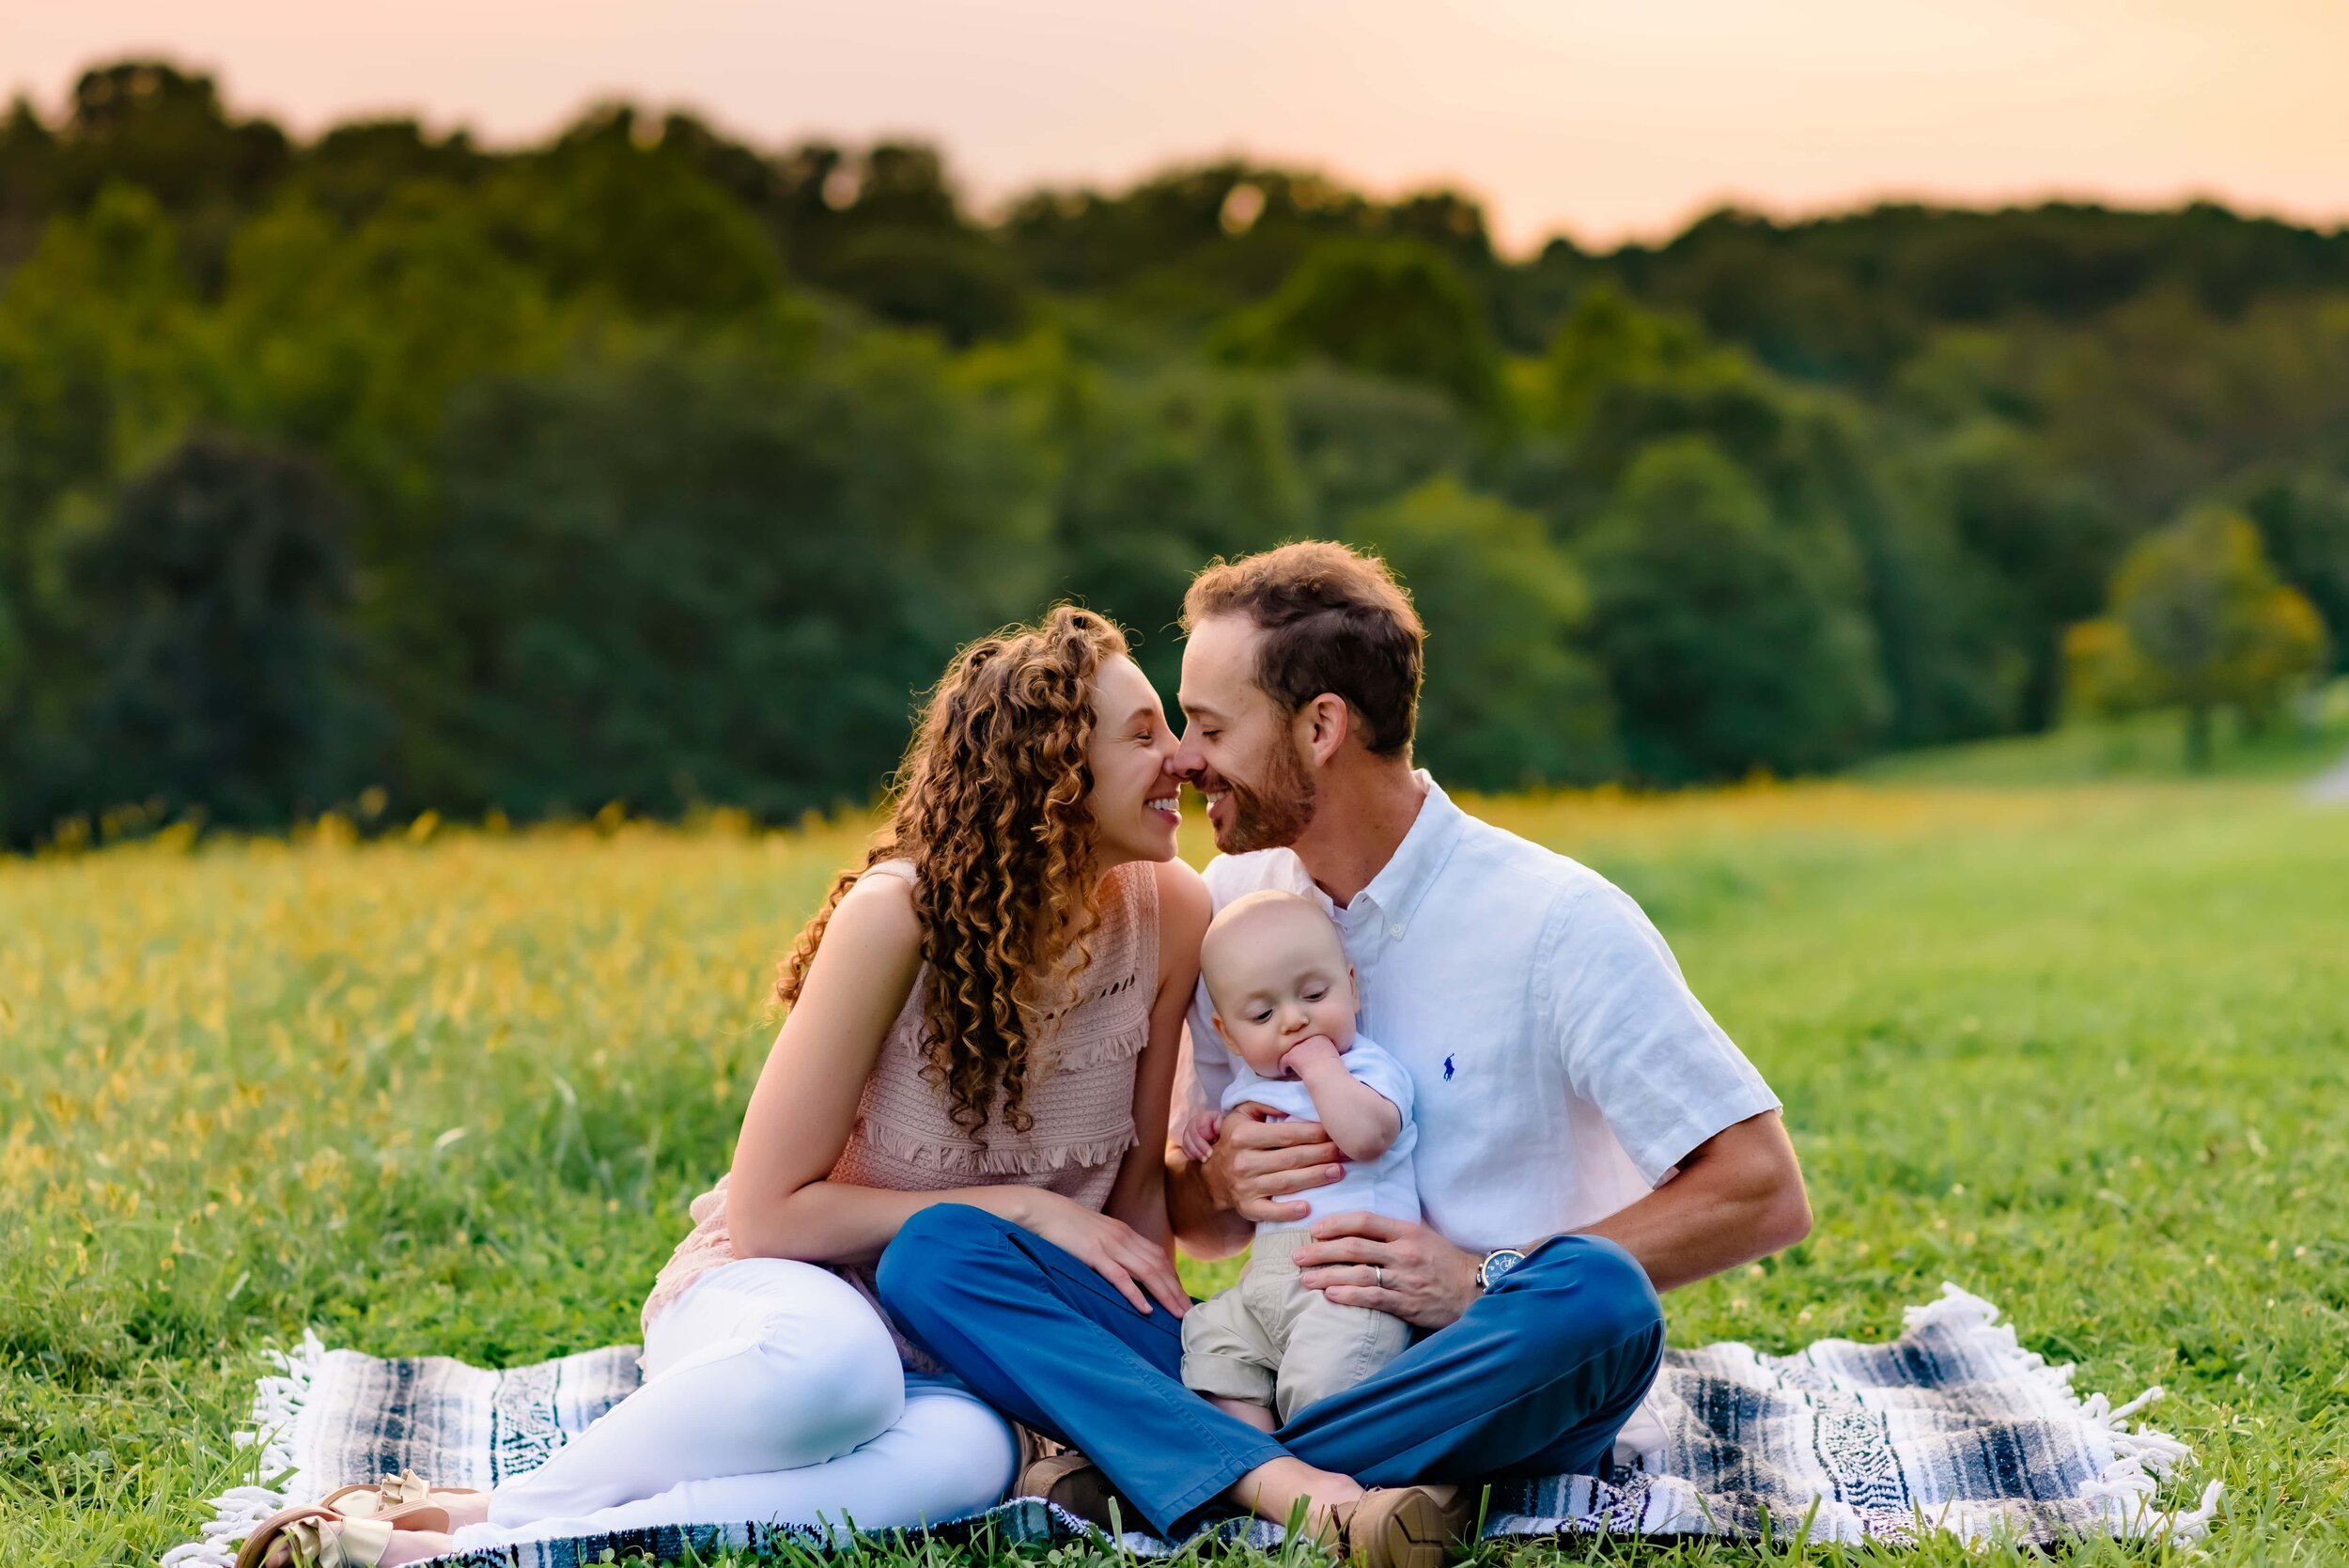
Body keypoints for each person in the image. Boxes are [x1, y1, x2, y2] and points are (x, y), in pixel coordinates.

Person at [877, 543, 1812, 1568]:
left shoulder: (1557, 920)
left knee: (1599, 1296)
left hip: (1483, 1361)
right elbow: (1194, 1218)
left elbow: (1762, 1190)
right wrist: (1220, 1175)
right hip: (1267, 1353)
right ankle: (1314, 1491)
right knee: (938, 1251)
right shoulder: (1230, 908)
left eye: (1212, 725)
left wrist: (1478, 1276)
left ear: (1320, 727)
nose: (1186, 759)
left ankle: (1167, 1469)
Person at [234, 607, 1213, 1568]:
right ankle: (483, 1518)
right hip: (789, 1294)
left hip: (960, 1350)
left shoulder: (1172, 910)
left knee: (967, 1462)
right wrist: (1023, 1208)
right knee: (843, 1374)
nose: (1183, 758)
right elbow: (771, 1214)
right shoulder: (897, 917)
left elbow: (1127, 1212)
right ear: (1046, 769)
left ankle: (520, 1534)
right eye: (1143, 735)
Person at [1176, 890, 1419, 1432]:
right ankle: (1258, 1458)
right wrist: (1208, 1131)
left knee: (1326, 1380)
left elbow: (1369, 1136)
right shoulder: (1250, 1085)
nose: (1294, 1021)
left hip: (1348, 1286)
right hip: (1267, 1283)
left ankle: (1312, 1476)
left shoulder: (1365, 1068)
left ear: (1352, 988)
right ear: (1229, 1036)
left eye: (1313, 994)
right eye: (1262, 1014)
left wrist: (1321, 1070)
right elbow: (1238, 1146)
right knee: (1211, 1340)